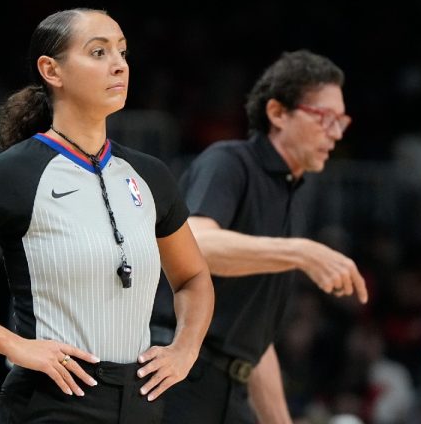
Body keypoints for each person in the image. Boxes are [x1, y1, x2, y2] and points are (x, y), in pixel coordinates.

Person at [0, 8, 214, 424]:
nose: (118, 65)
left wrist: (185, 348)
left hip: (142, 402)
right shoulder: (12, 173)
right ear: (51, 70)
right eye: (98, 52)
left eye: (123, 53)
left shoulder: (150, 175)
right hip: (52, 402)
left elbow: (194, 278)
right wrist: (11, 344)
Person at [155, 49, 369, 424]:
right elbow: (197, 245)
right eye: (325, 118)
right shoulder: (229, 161)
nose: (335, 134)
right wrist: (301, 252)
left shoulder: (291, 195)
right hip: (177, 370)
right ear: (277, 113)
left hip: (230, 387)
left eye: (342, 121)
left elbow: (255, 341)